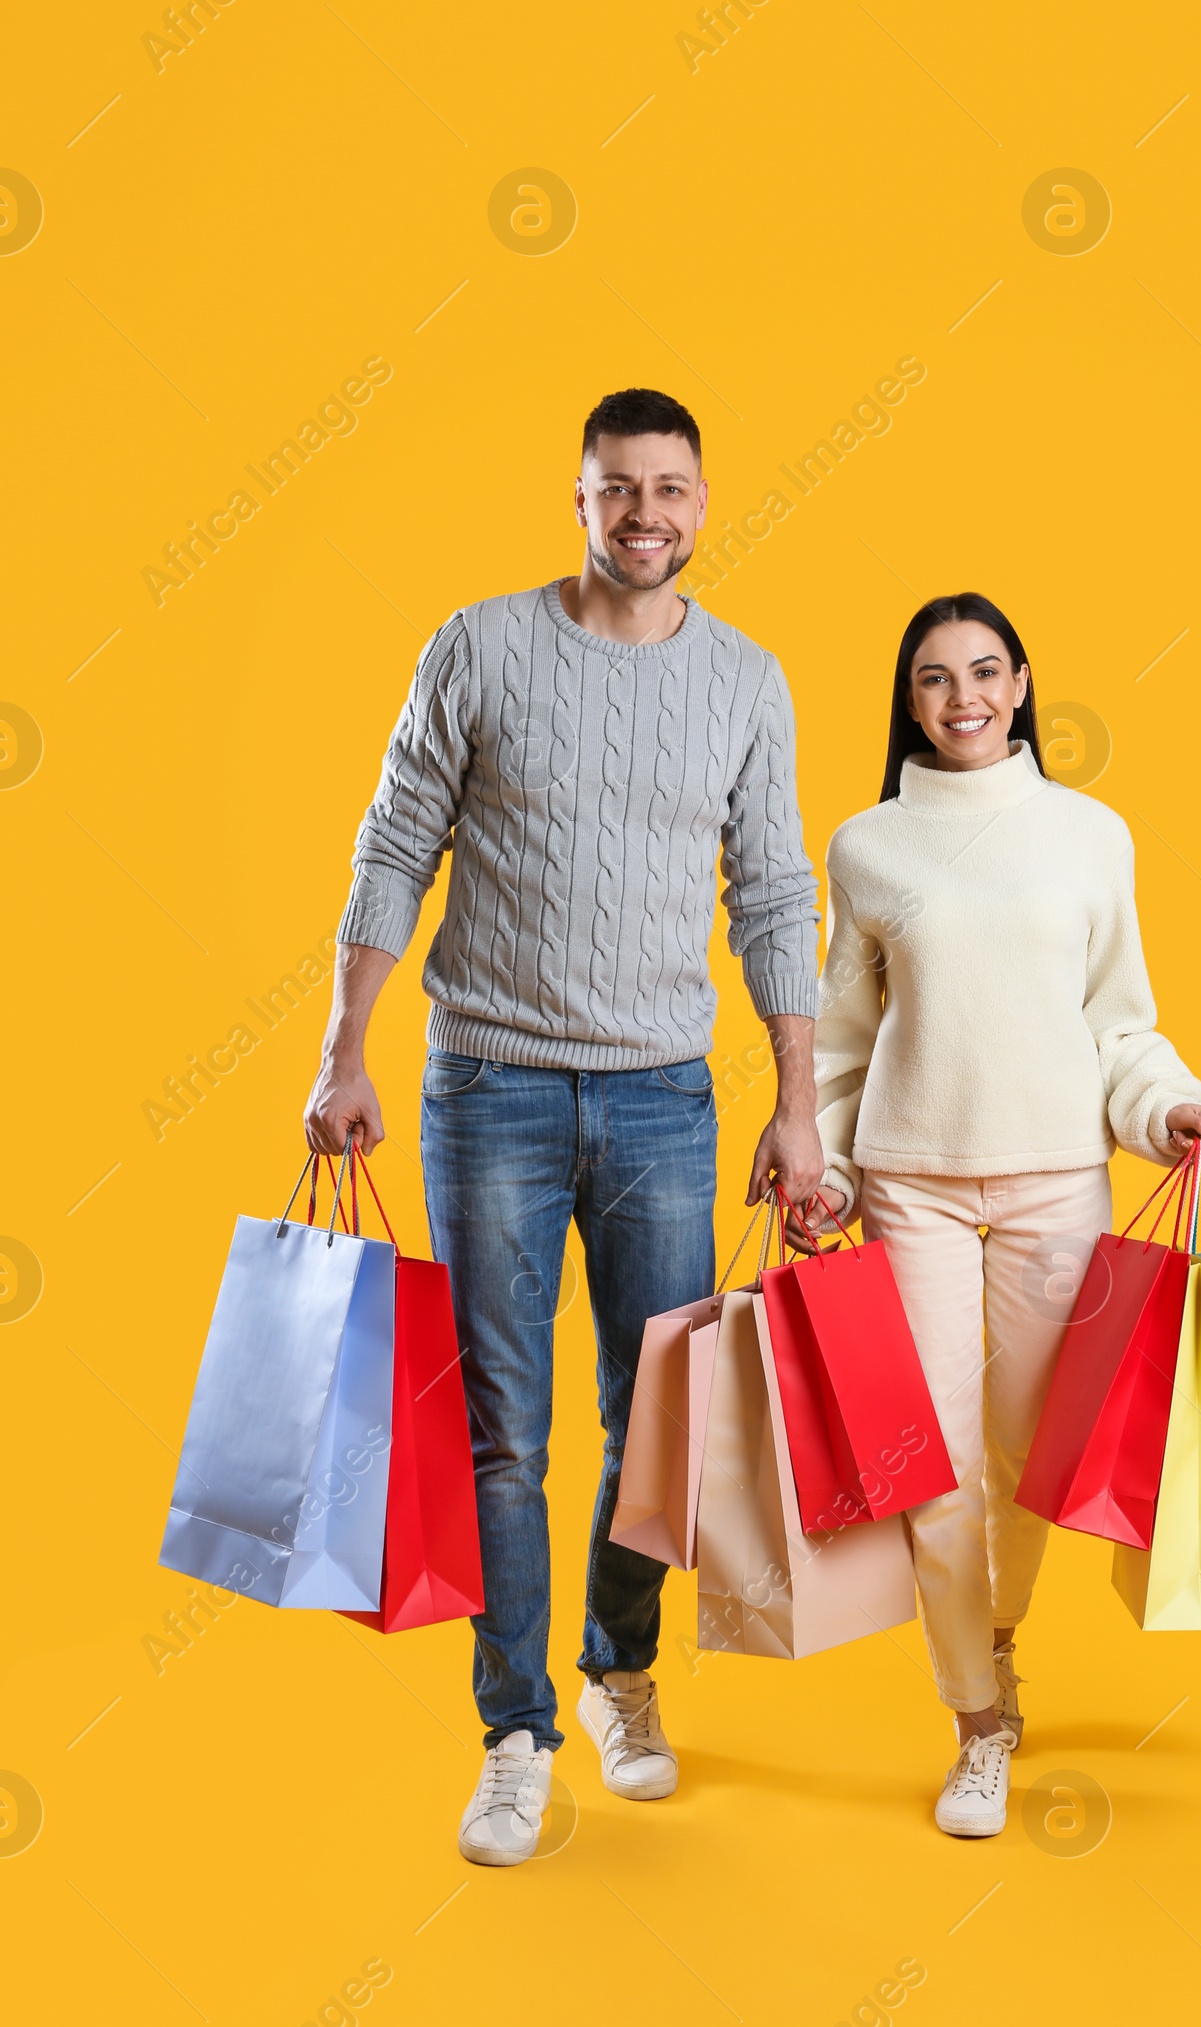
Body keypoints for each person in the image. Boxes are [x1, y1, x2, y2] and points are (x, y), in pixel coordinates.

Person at [304, 387, 824, 1865]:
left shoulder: (745, 680)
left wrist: (796, 1104)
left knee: (647, 1418)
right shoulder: (476, 646)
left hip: (665, 1089)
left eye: (671, 488)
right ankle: (514, 1731)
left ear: (704, 503)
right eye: (618, 489)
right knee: (498, 1428)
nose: (645, 513)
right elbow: (396, 839)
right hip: (492, 1087)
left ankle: (619, 1669)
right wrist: (345, 1050)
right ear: (578, 499)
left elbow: (775, 892)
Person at [789, 593, 1201, 1839]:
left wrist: (1168, 1104)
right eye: (935, 678)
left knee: (1035, 1466)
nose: (963, 697)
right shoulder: (867, 844)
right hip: (911, 1185)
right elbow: (844, 1041)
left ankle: (995, 1633)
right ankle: (976, 1719)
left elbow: (1117, 1020)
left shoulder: (1091, 835)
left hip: (1054, 1182)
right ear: (909, 700)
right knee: (927, 1462)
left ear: (1024, 682)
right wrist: (827, 1167)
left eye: (985, 672)